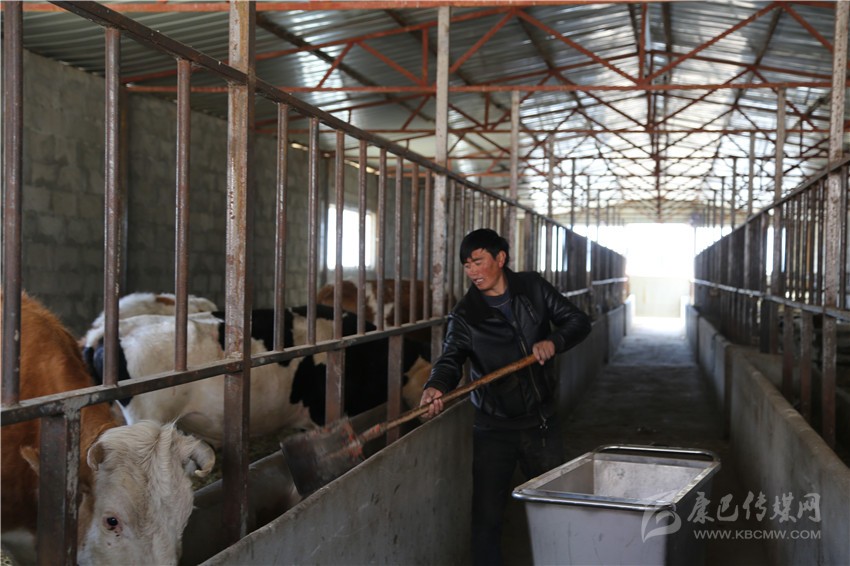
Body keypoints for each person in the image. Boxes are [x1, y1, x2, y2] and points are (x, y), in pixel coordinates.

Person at [419, 228, 592, 566]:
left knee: (556, 507)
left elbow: (578, 321)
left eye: (478, 261)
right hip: (493, 429)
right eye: (466, 265)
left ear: (500, 258)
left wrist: (555, 341)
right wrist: (436, 385)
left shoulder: (532, 288)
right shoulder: (466, 315)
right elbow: (451, 358)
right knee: (486, 519)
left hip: (541, 424)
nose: (472, 271)